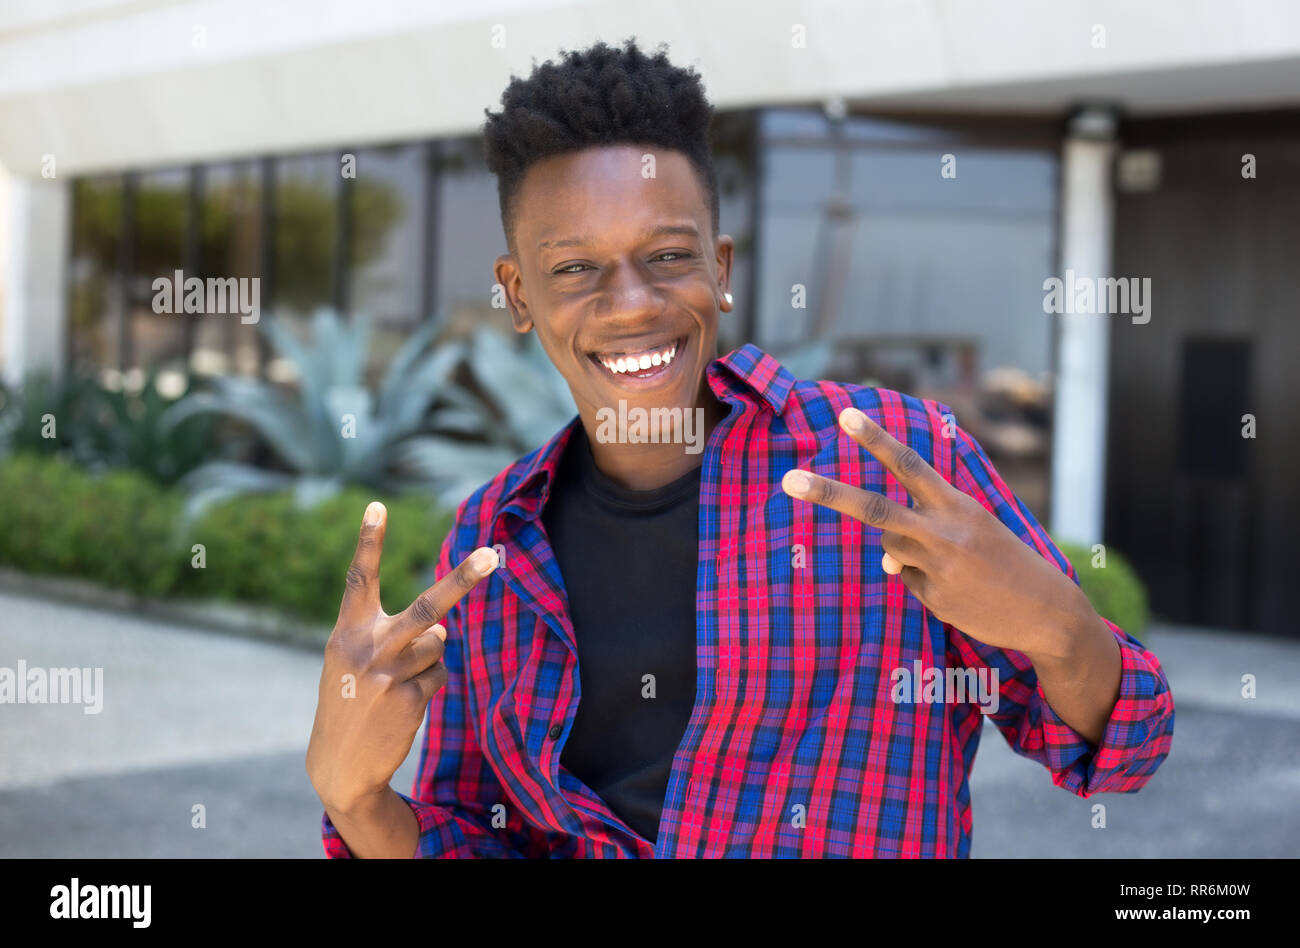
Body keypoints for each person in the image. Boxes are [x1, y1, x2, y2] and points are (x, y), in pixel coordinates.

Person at [305, 37, 1174, 858]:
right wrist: (356, 799)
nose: (633, 302)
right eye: (574, 269)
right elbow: (481, 836)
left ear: (720, 268)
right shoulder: (490, 544)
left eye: (669, 255)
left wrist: (1058, 626)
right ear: (517, 292)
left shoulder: (893, 462)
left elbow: (1129, 751)